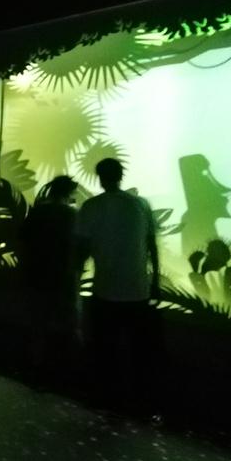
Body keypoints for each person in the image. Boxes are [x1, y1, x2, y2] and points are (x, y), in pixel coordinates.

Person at [75, 158, 161, 413]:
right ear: (121, 175)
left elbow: (82, 248)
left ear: (99, 177)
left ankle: (107, 399)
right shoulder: (141, 204)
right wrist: (155, 281)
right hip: (138, 290)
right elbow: (151, 246)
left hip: (105, 290)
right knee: (139, 349)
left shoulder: (92, 206)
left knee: (105, 348)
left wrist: (75, 278)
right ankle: (139, 401)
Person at [18, 175, 80, 386]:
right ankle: (69, 371)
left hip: (37, 276)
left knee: (38, 326)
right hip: (64, 277)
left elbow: (23, 240)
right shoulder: (71, 214)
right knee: (69, 324)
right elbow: (78, 245)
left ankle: (37, 370)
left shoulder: (38, 212)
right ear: (68, 193)